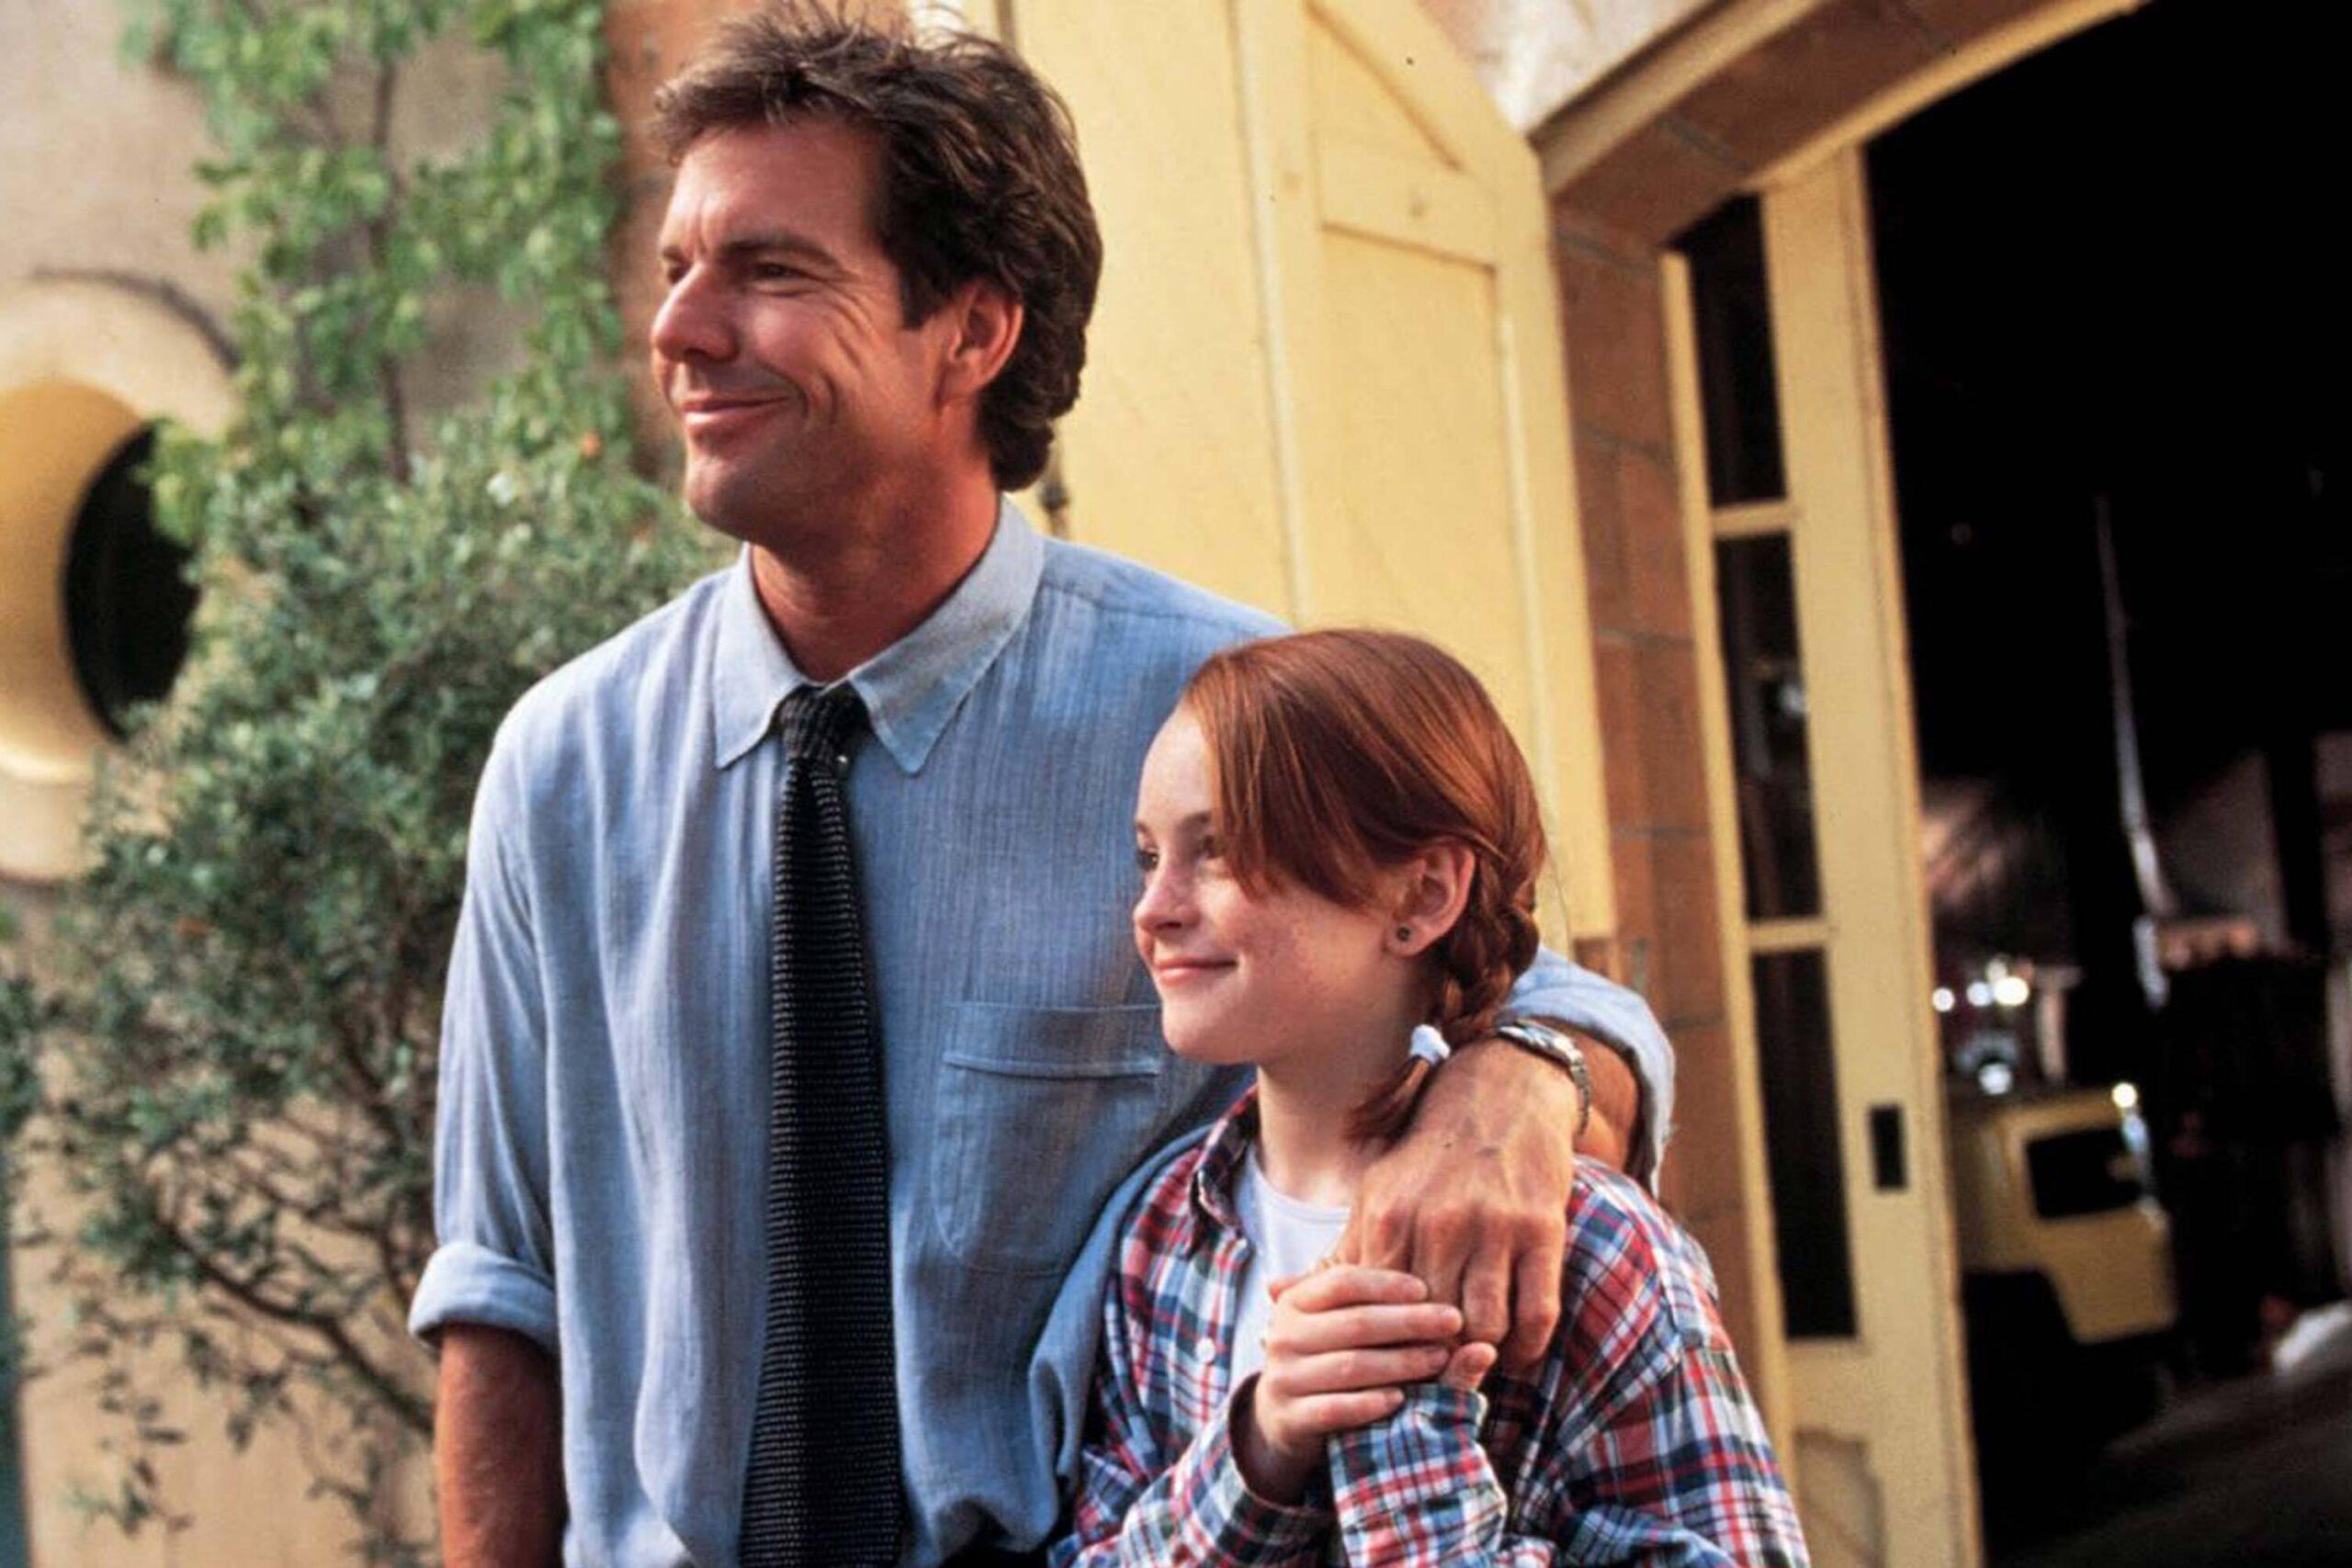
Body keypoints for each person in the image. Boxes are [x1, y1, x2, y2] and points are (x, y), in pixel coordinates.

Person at [411, 6, 1679, 1567]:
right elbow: (502, 1290)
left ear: (973, 332)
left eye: (769, 270)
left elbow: (1549, 1001)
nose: (679, 327)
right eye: (677, 267)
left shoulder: (1214, 715)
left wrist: (1516, 1079)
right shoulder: (563, 766)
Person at [1061, 629, 1804, 1566]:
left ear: (1422, 893)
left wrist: (1402, 1440)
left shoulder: (1596, 1248)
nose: (1153, 907)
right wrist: (1257, 1447)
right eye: (1147, 856)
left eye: (1218, 851)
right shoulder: (1162, 1235)